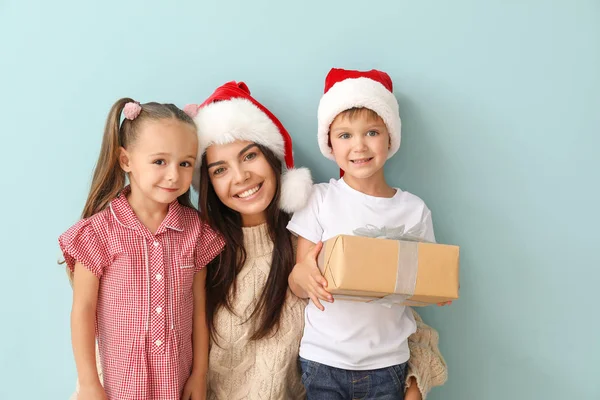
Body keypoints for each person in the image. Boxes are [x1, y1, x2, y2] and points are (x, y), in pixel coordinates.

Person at [288, 68, 447, 399]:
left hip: (387, 362)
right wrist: (303, 274)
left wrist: (435, 289)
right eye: (345, 135)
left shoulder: (413, 210)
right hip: (323, 359)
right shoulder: (320, 199)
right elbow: (298, 278)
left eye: (371, 132)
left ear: (390, 138)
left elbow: (425, 283)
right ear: (329, 143)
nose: (359, 145)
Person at [59, 98, 224, 400]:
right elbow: (83, 310)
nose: (174, 175)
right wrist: (88, 383)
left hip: (176, 379)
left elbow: (200, 309)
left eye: (185, 163)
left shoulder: (195, 231)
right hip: (121, 384)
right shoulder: (98, 232)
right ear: (126, 161)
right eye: (160, 161)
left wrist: (199, 374)